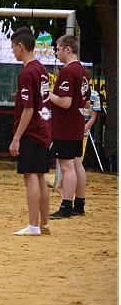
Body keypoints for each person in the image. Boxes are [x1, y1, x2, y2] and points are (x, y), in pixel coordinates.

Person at [8, 27, 52, 236]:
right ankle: (44, 223)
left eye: (13, 48)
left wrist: (16, 138)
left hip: (32, 131)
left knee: (31, 176)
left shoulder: (27, 72)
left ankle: (34, 225)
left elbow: (28, 108)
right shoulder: (42, 69)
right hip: (44, 129)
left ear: (20, 46)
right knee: (41, 177)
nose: (13, 52)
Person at [49, 35, 91, 219]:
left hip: (65, 124)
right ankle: (79, 204)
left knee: (67, 167)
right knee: (76, 164)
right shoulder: (83, 71)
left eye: (58, 49)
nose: (56, 52)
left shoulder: (68, 72)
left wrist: (47, 94)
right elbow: (87, 102)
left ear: (68, 49)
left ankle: (66, 206)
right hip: (77, 123)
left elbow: (65, 102)